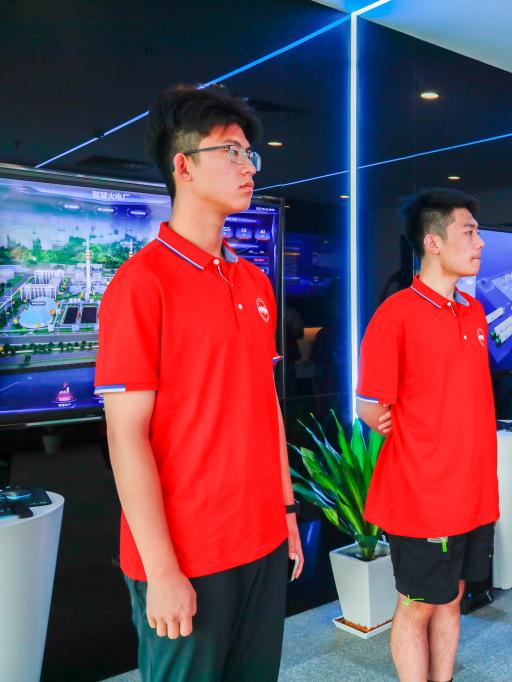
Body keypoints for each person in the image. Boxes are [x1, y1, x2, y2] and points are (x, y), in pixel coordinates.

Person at [95, 84, 302, 681]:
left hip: (261, 538)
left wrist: (286, 513)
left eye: (249, 154)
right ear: (183, 166)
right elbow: (125, 437)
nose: (248, 166)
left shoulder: (254, 282)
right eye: (230, 152)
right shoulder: (141, 284)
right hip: (188, 553)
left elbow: (266, 406)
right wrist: (161, 570)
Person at [356, 189, 498, 682]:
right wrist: (376, 415)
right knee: (416, 605)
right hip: (422, 497)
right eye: (469, 232)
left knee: (453, 597)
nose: (480, 242)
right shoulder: (396, 313)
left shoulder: (473, 313)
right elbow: (368, 403)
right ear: (433, 243)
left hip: (472, 493)